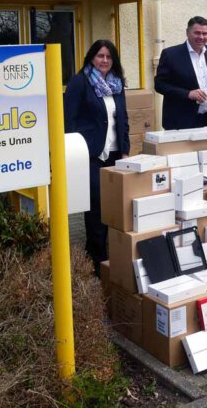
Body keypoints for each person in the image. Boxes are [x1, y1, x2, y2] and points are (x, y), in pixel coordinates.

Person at [64, 40, 130, 275]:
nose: (104, 60)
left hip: (114, 154)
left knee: (112, 205)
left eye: (108, 57)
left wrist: (125, 149)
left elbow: (122, 119)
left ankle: (98, 252)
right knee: (95, 208)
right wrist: (71, 153)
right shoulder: (80, 82)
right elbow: (68, 120)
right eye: (100, 56)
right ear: (91, 57)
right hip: (89, 154)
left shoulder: (117, 83)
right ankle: (97, 261)